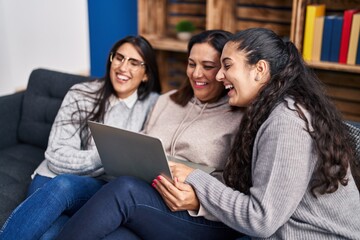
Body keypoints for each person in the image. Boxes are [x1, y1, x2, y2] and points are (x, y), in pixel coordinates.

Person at [57, 27, 360, 240]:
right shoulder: (268, 113)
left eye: (225, 66)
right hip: (264, 227)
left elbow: (261, 218)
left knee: (123, 193)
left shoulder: (286, 120)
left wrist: (193, 178)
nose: (217, 76)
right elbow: (248, 185)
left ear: (260, 70)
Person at [0, 35, 161, 240]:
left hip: (100, 189)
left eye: (134, 62)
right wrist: (106, 157)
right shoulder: (81, 94)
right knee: (57, 206)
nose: (123, 67)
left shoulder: (154, 105)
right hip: (54, 178)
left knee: (54, 231)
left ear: (146, 74)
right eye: (119, 58)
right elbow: (56, 155)